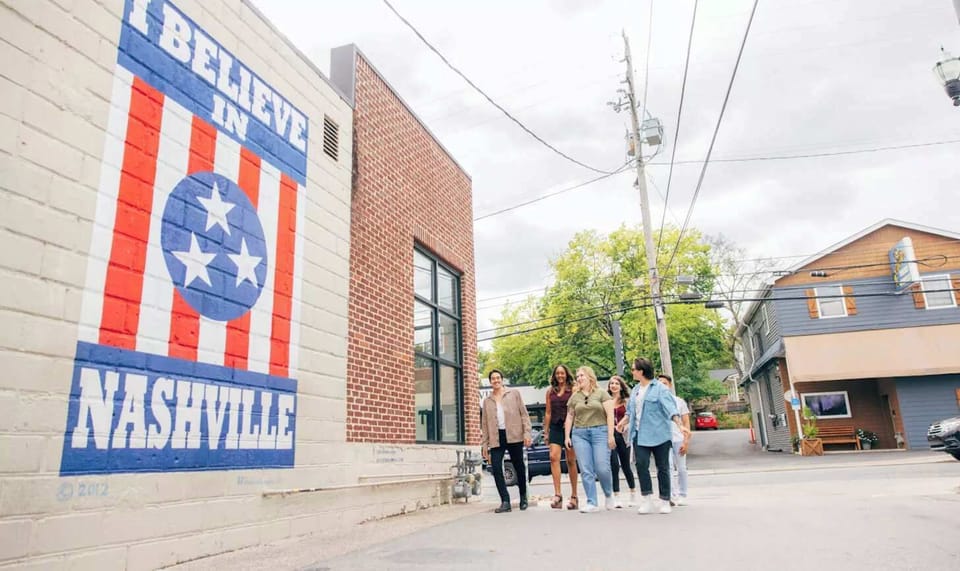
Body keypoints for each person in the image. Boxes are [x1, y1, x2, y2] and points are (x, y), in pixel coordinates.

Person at [618, 357, 682, 515]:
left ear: (641, 371)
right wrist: (623, 422)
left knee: (663, 467)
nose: (632, 372)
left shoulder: (660, 388)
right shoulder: (635, 390)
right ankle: (646, 499)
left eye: (633, 369)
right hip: (640, 434)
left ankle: (665, 499)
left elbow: (671, 409)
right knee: (641, 465)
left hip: (660, 434)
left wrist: (680, 425)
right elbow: (631, 412)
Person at [564, 366, 616, 513]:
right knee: (586, 469)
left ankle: (608, 494)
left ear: (590, 377)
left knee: (602, 467)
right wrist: (567, 436)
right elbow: (569, 416)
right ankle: (591, 501)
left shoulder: (602, 394)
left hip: (600, 431)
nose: (579, 378)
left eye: (582, 375)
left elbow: (610, 415)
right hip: (580, 433)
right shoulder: (575, 397)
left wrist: (610, 435)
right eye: (577, 376)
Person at [480, 369, 532, 513]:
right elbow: (484, 423)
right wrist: (484, 444)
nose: (496, 380)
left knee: (519, 466)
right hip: (496, 437)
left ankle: (523, 497)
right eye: (493, 379)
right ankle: (505, 501)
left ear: (502, 380)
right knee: (496, 468)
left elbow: (524, 415)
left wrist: (527, 433)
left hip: (514, 435)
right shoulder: (487, 401)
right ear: (490, 382)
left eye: (498, 378)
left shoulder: (514, 394)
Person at [543, 364, 579, 510]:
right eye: (557, 373)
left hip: (569, 428)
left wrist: (573, 424)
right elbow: (548, 412)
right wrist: (546, 431)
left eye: (562, 373)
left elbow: (576, 408)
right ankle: (557, 495)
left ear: (566, 374)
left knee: (571, 460)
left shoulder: (573, 389)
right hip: (556, 427)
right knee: (553, 457)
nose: (560, 376)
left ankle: (574, 496)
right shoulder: (550, 391)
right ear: (554, 375)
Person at [658, 374, 691, 506]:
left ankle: (683, 494)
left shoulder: (679, 401)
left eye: (664, 383)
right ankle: (672, 494)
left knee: (681, 467)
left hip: (678, 438)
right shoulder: (657, 403)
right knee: (668, 467)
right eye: (660, 383)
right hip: (664, 438)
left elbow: (686, 422)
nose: (662, 386)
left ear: (670, 385)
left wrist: (686, 441)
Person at [607, 375, 637, 508]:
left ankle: (633, 493)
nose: (613, 386)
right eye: (611, 383)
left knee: (626, 466)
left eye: (616, 384)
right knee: (613, 465)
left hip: (623, 435)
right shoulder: (606, 401)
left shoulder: (626, 401)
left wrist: (625, 426)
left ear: (621, 386)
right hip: (611, 435)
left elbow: (632, 417)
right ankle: (616, 496)